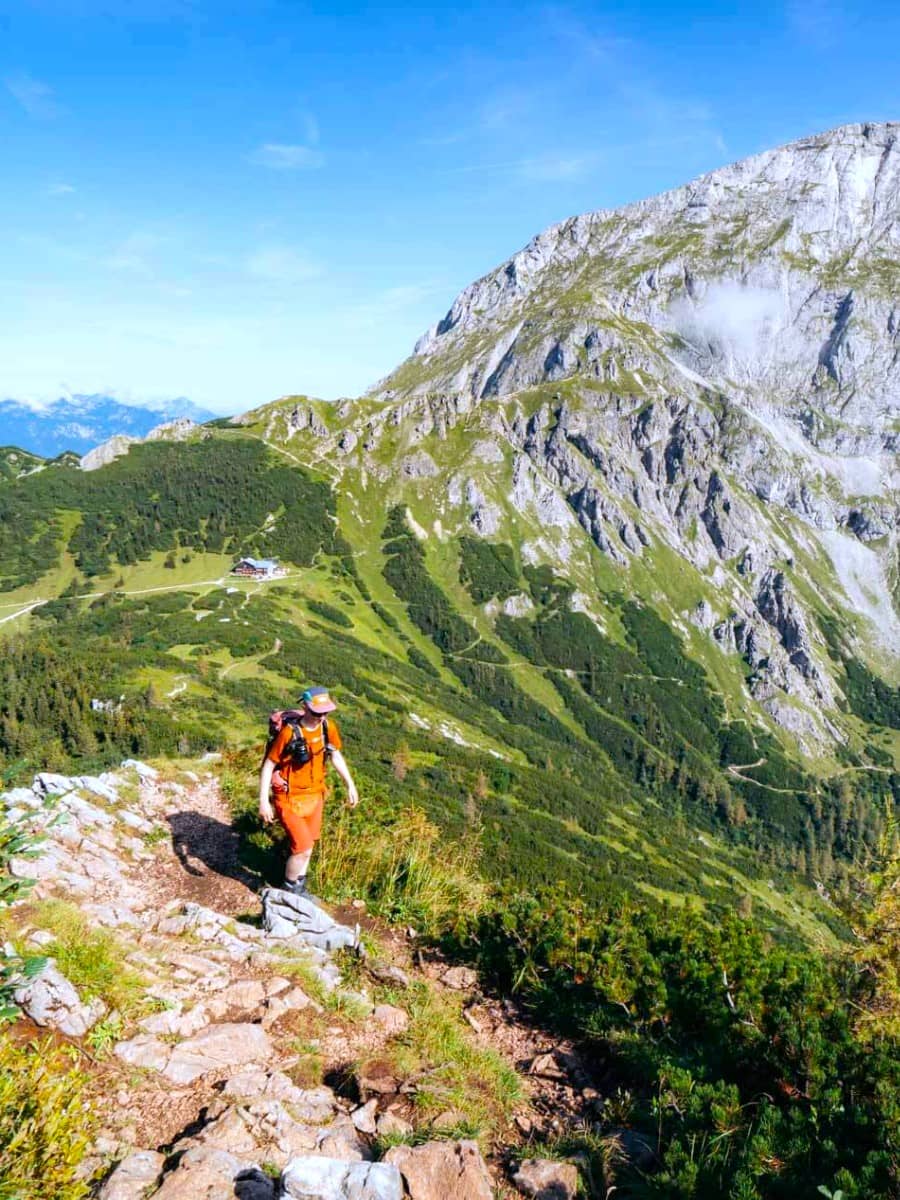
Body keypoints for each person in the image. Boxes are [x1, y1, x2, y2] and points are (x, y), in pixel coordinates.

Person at [258, 685, 359, 896]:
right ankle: (287, 892)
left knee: (308, 847)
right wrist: (263, 802)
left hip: (315, 795)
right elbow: (269, 765)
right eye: (316, 712)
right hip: (288, 797)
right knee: (302, 847)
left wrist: (350, 784)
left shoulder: (327, 728)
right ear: (304, 706)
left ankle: (299, 889)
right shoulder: (288, 732)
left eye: (325, 712)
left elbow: (335, 755)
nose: (321, 717)